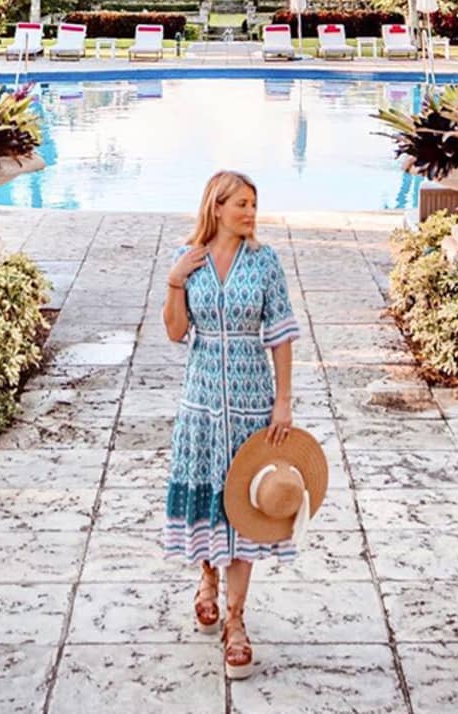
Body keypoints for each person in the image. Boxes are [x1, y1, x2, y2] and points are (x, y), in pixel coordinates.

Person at [161, 169, 299, 680]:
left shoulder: (265, 262)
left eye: (253, 205)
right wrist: (176, 280)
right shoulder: (189, 260)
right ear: (216, 207)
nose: (249, 213)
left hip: (250, 401)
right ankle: (206, 581)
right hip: (200, 404)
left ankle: (236, 623)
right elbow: (176, 333)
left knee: (245, 509)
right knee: (207, 502)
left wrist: (282, 401)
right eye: (241, 204)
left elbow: (281, 334)